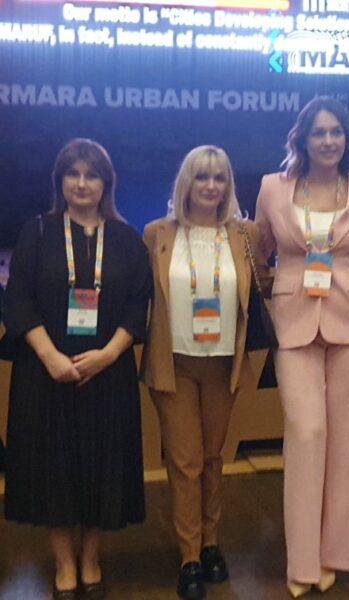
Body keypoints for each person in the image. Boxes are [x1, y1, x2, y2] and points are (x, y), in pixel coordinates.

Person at [1, 138, 152, 600]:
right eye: (73, 174)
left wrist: (108, 355)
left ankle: (91, 558)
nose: (82, 183)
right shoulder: (38, 232)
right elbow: (18, 300)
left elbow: (139, 306)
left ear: (106, 183)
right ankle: (64, 563)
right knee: (56, 471)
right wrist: (50, 356)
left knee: (101, 468)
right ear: (60, 180)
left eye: (92, 175)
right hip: (45, 374)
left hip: (108, 374)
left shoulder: (126, 239)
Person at [255, 97, 349, 597]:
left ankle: (338, 553)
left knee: (347, 439)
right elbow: (259, 253)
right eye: (319, 132)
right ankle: (303, 561)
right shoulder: (273, 187)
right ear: (303, 139)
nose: (328, 140)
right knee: (307, 432)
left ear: (347, 139)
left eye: (336, 132)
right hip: (293, 323)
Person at [140, 145, 269, 600]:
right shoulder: (157, 233)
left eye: (219, 178)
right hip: (173, 363)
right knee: (185, 461)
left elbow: (264, 281)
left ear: (228, 185)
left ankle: (211, 543)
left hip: (222, 363)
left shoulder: (246, 233)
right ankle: (190, 556)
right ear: (186, 183)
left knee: (213, 458)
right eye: (201, 177)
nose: (210, 186)